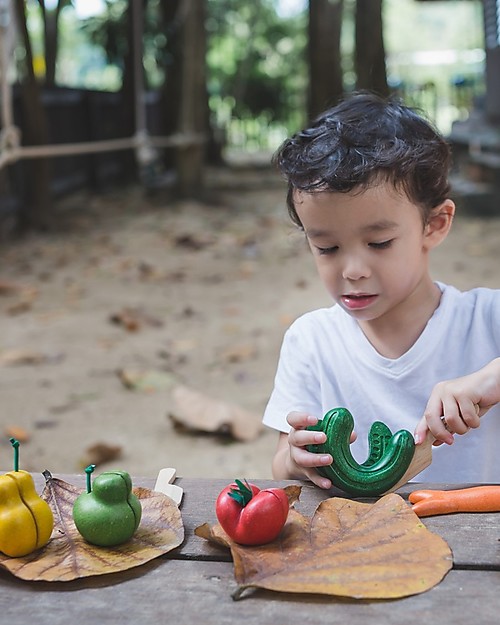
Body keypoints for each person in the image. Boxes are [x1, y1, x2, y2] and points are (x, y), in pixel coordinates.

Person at [263, 91, 500, 488]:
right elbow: (281, 461)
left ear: (435, 224)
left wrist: (491, 378)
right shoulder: (311, 341)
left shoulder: (487, 320)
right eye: (327, 248)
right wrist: (296, 458)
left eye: (378, 244)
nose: (353, 271)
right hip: (360, 543)